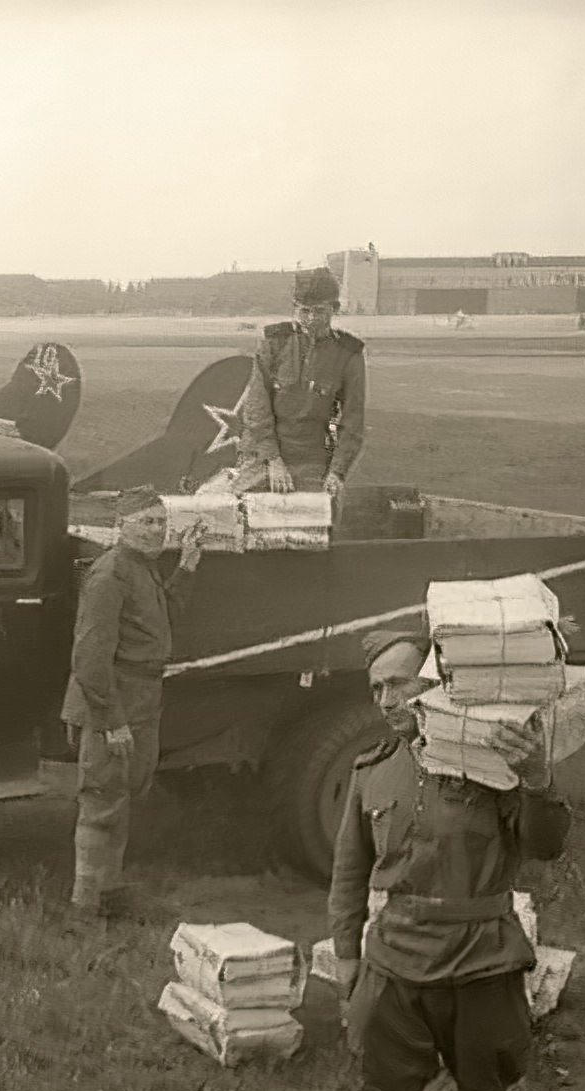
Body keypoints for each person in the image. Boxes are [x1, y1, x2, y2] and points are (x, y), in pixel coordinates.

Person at [328, 630, 571, 1091]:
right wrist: (347, 955)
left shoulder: (493, 763)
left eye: (400, 681)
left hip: (482, 958)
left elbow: (546, 844)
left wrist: (537, 781)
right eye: (377, 688)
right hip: (396, 959)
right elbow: (350, 871)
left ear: (433, 680)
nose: (386, 698)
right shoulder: (372, 771)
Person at [61, 488, 204, 915]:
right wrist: (111, 721)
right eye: (146, 522)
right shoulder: (110, 575)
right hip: (116, 702)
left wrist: (189, 565)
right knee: (102, 801)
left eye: (161, 523)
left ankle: (109, 893)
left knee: (122, 795)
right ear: (121, 525)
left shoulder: (142, 569)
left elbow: (163, 620)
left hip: (141, 698)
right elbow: (89, 659)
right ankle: (83, 911)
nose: (156, 531)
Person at [236, 266, 366, 496]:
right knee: (230, 513)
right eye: (304, 311)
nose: (312, 319)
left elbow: (352, 420)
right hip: (262, 456)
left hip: (311, 460)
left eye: (319, 311)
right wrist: (273, 460)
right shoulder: (275, 343)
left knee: (315, 517)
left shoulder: (348, 354)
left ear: (333, 309)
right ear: (295, 308)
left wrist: (337, 471)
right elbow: (256, 406)